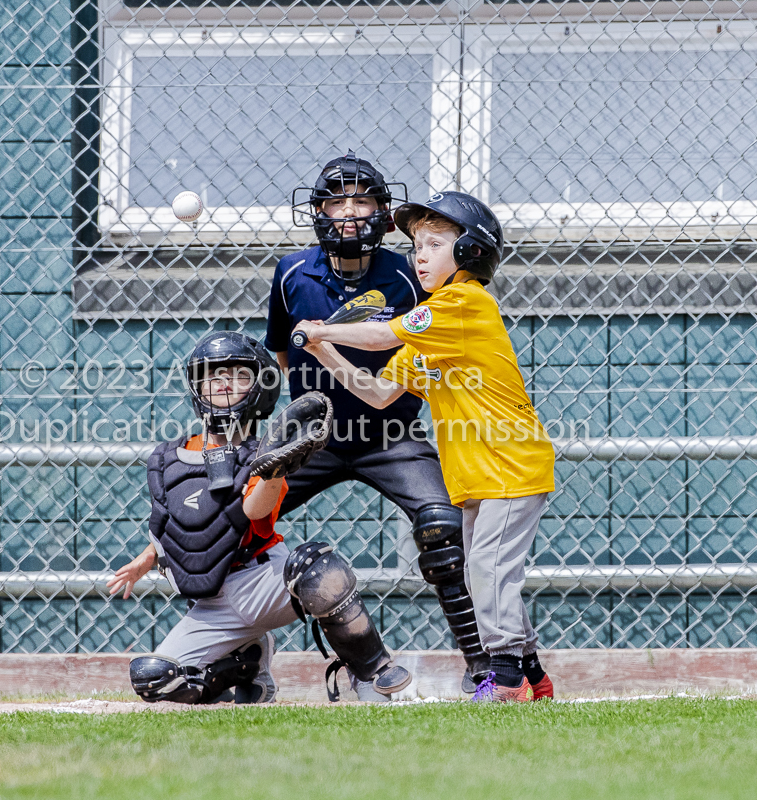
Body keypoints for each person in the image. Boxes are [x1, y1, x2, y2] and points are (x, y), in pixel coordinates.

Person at [290, 191, 556, 702]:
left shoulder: (462, 304)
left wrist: (325, 327)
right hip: (480, 473)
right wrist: (323, 349)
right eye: (416, 246)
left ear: (470, 253)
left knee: (487, 570)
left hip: (510, 464)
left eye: (435, 244)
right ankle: (532, 676)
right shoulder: (432, 330)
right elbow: (378, 392)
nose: (420, 256)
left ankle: (502, 680)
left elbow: (385, 334)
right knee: (486, 574)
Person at [266, 151, 489, 696]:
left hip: (390, 433)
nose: (349, 213)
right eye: (336, 201)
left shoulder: (407, 274)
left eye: (362, 201)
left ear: (382, 212)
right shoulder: (292, 271)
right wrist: (285, 426)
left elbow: (419, 342)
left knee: (442, 526)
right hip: (314, 438)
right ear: (316, 210)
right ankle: (243, 662)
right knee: (231, 516)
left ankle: (485, 664)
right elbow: (281, 355)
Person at [108, 331, 410, 704]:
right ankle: (246, 665)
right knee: (156, 679)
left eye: (238, 375)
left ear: (260, 388)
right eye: (212, 375)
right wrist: (146, 559)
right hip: (213, 604)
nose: (222, 383)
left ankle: (370, 672)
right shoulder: (168, 458)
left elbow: (254, 511)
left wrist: (275, 468)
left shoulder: (265, 453)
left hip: (266, 582)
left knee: (319, 570)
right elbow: (176, 525)